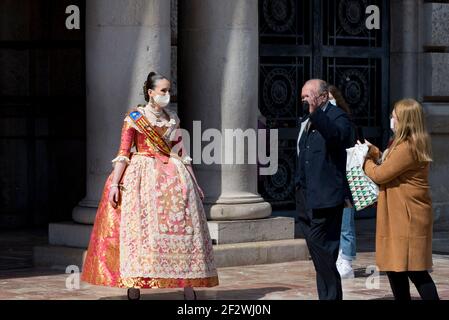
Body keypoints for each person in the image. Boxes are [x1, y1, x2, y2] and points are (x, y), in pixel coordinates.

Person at [81, 71, 219, 300]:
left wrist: (194, 182)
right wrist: (115, 184)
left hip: (174, 176)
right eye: (163, 90)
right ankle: (134, 284)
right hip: (142, 176)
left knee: (186, 230)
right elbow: (124, 152)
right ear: (150, 92)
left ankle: (188, 284)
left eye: (169, 90)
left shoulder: (172, 118)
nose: (167, 95)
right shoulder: (135, 117)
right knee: (139, 230)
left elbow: (182, 153)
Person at [362, 98, 439, 300]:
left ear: (404, 119)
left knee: (414, 271)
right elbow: (388, 162)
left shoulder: (407, 147)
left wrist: (366, 160)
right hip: (401, 217)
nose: (391, 119)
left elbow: (380, 174)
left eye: (394, 115)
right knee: (397, 269)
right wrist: (374, 152)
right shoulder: (404, 144)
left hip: (406, 219)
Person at [295, 79, 352, 300]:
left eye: (308, 96)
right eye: (302, 97)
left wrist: (316, 113)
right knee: (320, 256)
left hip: (327, 199)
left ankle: (331, 297)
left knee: (325, 252)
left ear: (323, 96)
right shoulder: (306, 118)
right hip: (306, 198)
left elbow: (337, 137)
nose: (304, 101)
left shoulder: (337, 117)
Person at [328, 85, 357, 279]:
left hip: (346, 177)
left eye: (331, 98)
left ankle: (346, 258)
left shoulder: (344, 121)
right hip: (329, 180)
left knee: (346, 221)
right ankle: (337, 257)